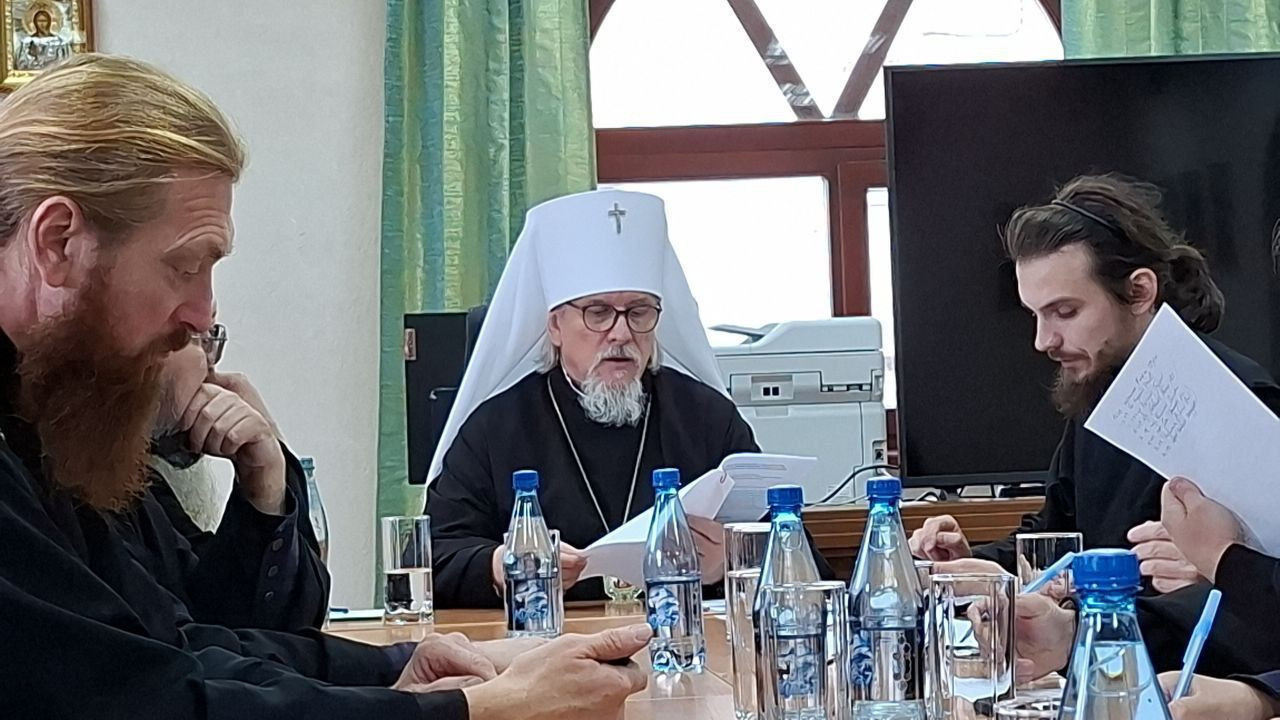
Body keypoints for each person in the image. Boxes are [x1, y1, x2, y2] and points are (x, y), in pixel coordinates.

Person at [0, 53, 649, 719]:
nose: (202, 315)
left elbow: (184, 645)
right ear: (57, 242)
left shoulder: (51, 418)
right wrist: (479, 709)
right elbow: (139, 702)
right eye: (184, 266)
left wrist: (395, 669)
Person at [910, 174, 1280, 676]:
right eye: (1035, 315)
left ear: (1140, 291)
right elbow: (1060, 539)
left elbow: (1255, 610)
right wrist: (980, 567)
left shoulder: (1243, 405)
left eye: (1064, 312)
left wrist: (1221, 564)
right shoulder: (1098, 397)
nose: (1043, 340)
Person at [425, 188, 832, 607]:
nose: (621, 333)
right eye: (598, 313)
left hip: (679, 638)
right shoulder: (494, 429)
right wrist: (501, 565)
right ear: (555, 326)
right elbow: (434, 560)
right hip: (552, 642)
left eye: (638, 312)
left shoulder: (707, 419)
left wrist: (731, 559)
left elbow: (803, 563)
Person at [118, 319, 331, 630]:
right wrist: (385, 658)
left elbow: (247, 623)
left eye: (213, 336)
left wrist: (266, 480)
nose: (212, 372)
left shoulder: (147, 490)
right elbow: (196, 645)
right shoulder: (93, 495)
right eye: (199, 337)